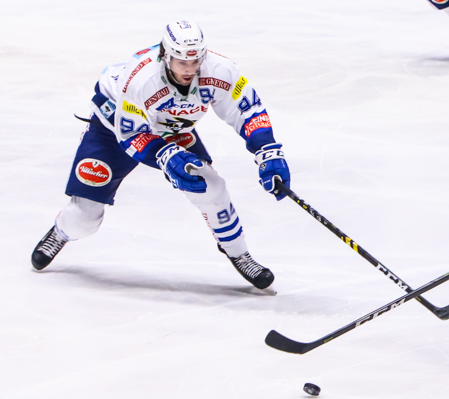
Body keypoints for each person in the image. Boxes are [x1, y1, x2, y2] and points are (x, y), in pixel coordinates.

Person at [30, 21, 290, 289]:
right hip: (114, 126)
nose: (190, 69)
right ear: (165, 54)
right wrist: (165, 155)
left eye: (196, 60)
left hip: (170, 125)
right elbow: (130, 134)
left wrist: (267, 152)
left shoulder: (221, 70)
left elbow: (249, 111)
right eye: (182, 62)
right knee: (85, 219)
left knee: (211, 186)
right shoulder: (141, 77)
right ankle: (62, 231)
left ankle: (239, 253)